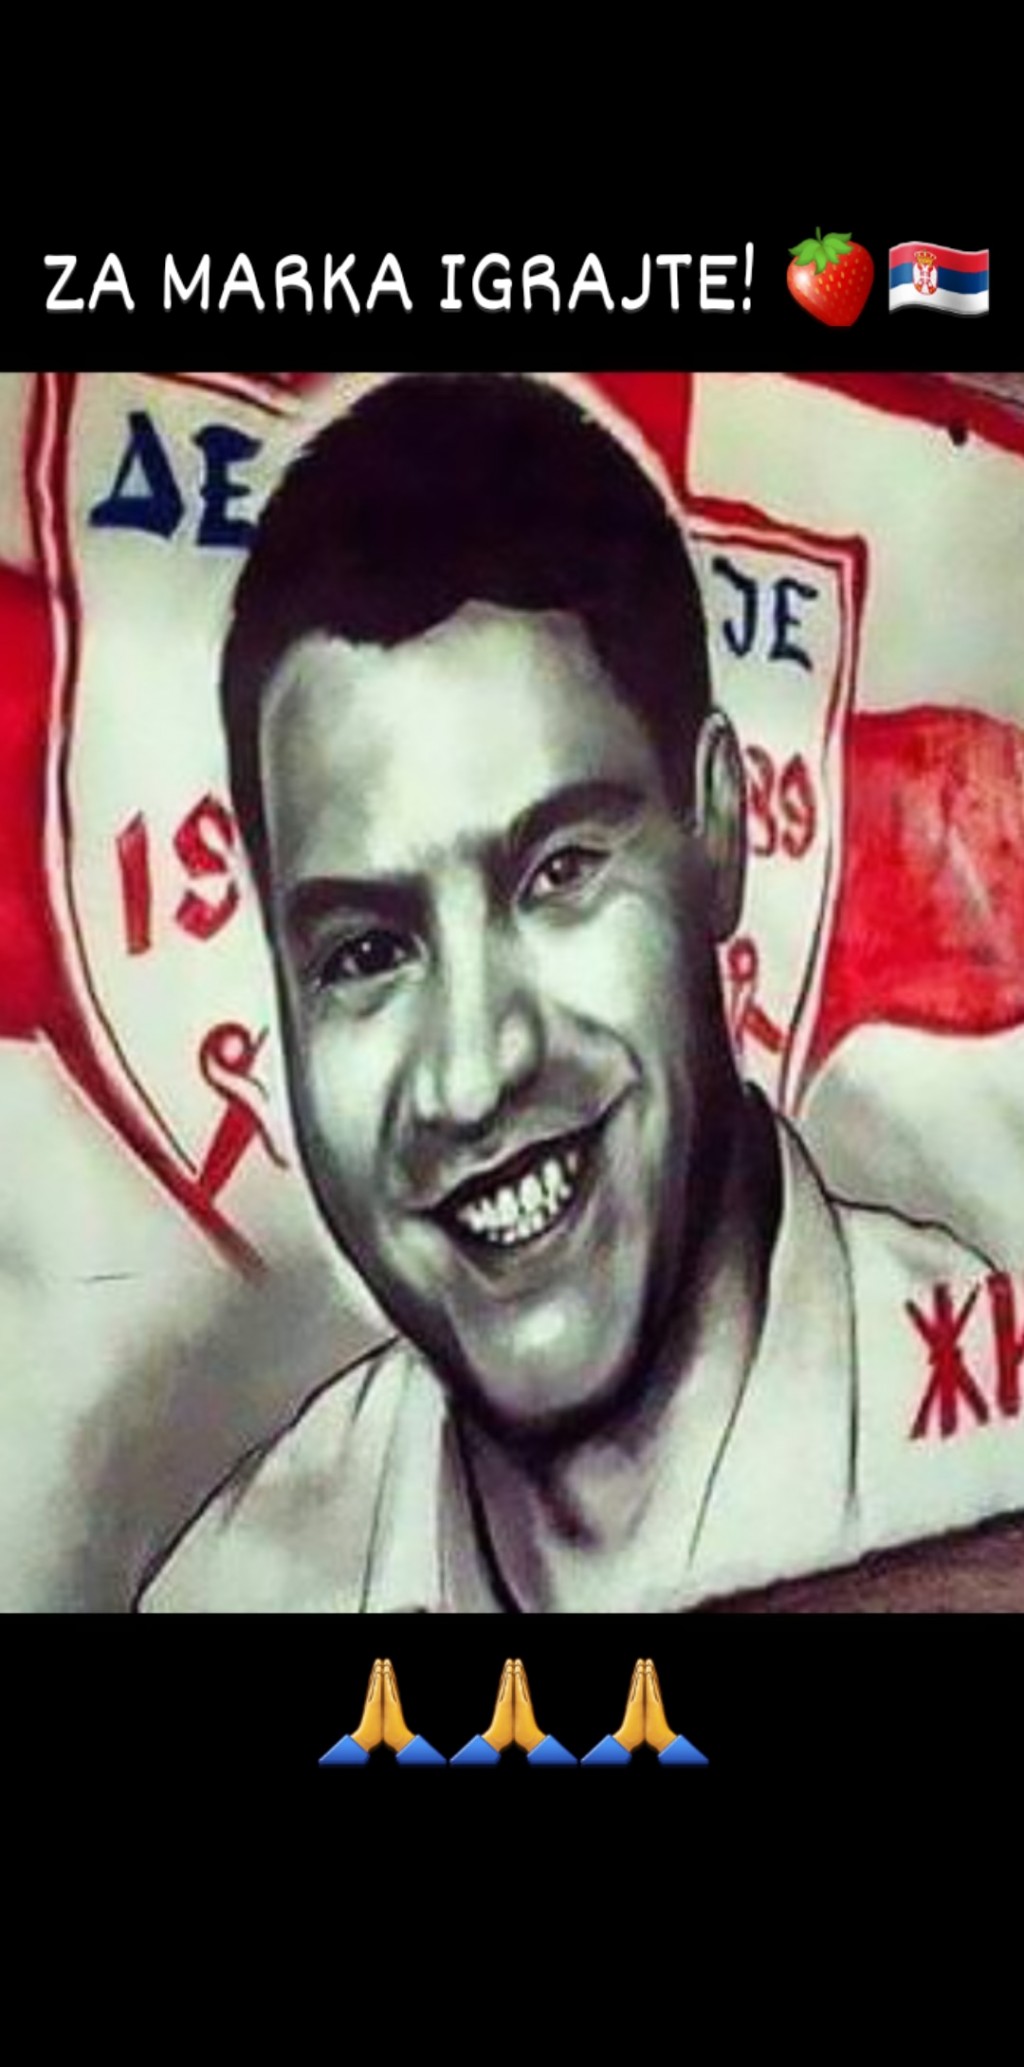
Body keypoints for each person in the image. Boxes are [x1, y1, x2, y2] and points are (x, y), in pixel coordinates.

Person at [138, 373, 1016, 1616]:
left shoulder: (991, 1443)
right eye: (366, 952)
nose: (471, 1074)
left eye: (556, 873)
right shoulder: (228, 1592)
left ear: (719, 830)